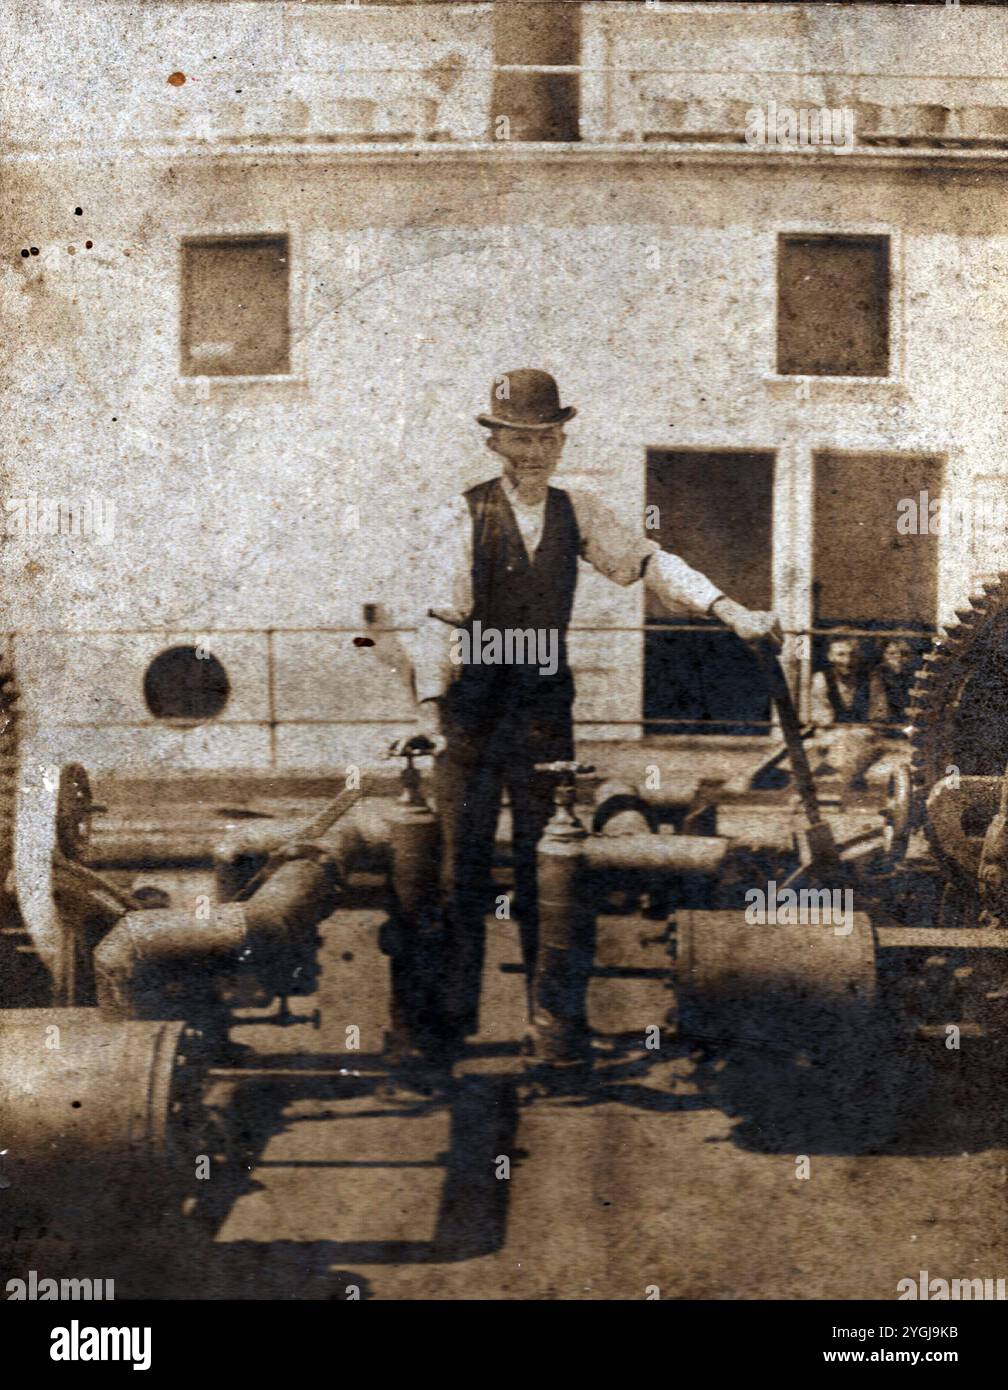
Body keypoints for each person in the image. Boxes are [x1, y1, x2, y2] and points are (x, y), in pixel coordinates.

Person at [412, 368, 782, 1061]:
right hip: (472, 716)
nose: (537, 450)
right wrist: (432, 709)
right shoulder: (463, 515)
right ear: (497, 443)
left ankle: (553, 1027)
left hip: (543, 713)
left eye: (549, 436)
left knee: (549, 867)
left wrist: (729, 610)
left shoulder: (578, 509)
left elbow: (648, 563)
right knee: (454, 871)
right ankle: (444, 1030)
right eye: (522, 438)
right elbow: (441, 616)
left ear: (560, 440)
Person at [808, 637, 878, 787]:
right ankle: (843, 778)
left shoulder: (871, 679)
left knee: (854, 742)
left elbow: (877, 713)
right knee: (837, 742)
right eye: (841, 654)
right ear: (830, 656)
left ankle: (836, 778)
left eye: (852, 655)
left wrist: (855, 731)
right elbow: (821, 716)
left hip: (863, 734)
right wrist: (841, 731)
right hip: (831, 734)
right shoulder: (821, 679)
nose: (847, 661)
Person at [868, 637, 916, 726]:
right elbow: (879, 702)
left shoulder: (910, 673)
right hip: (887, 720)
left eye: (903, 653)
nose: (898, 656)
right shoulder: (878, 673)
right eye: (892, 653)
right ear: (883, 655)